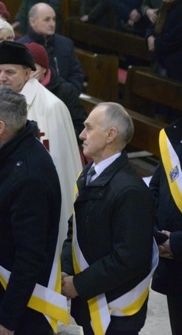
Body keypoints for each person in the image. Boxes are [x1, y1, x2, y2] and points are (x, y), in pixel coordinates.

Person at [0, 41, 80, 255]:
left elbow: (63, 171)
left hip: (32, 209)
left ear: (28, 73)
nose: (2, 77)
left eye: (10, 71)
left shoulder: (53, 107)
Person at [0, 87, 63, 335]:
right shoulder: (8, 153)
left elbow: (30, 256)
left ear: (0, 127)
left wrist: (8, 318)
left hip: (19, 306)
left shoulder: (28, 175)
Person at [61, 103, 156, 335]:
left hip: (116, 308)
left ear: (110, 135)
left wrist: (79, 284)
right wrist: (65, 269)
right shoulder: (88, 174)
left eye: (89, 128)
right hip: (91, 296)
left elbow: (130, 258)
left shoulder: (130, 191)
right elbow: (75, 228)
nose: (82, 134)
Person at [149, 117, 182, 335]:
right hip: (175, 266)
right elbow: (155, 191)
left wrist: (176, 242)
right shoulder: (174, 136)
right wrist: (159, 236)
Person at [25, 42, 86, 139]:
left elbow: (80, 126)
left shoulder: (65, 90)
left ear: (44, 69)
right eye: (24, 69)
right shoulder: (17, 88)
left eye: (33, 69)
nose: (28, 74)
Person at [18, 3, 84, 93]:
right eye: (47, 20)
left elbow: (76, 74)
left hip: (65, 99)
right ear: (32, 22)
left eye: (54, 19)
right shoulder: (20, 47)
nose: (52, 24)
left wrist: (69, 95)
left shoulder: (65, 44)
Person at [146, 0, 182, 82]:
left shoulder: (179, 11)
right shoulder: (165, 6)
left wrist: (155, 43)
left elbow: (175, 37)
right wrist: (149, 37)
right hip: (160, 59)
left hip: (173, 64)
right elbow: (153, 25)